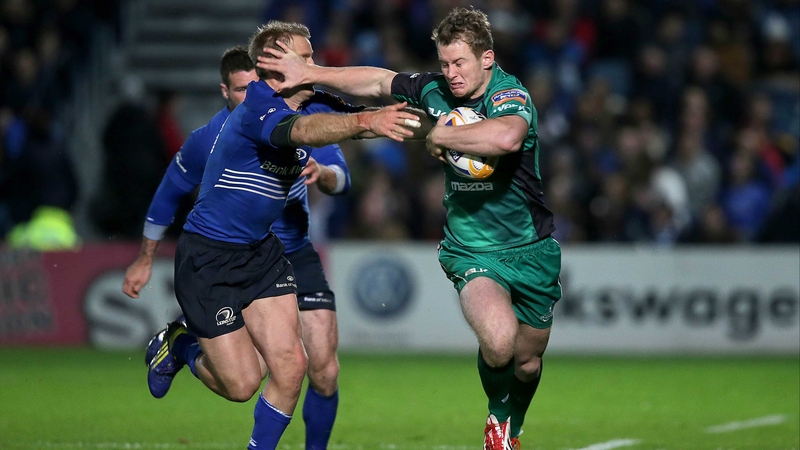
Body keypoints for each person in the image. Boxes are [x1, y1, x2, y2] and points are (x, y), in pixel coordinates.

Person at [258, 7, 561, 450]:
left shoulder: (508, 95)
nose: (451, 73)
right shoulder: (435, 90)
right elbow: (379, 82)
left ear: (487, 59)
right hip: (471, 250)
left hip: (531, 249)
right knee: (499, 344)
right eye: (444, 63)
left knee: (528, 362)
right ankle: (498, 427)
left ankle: (513, 426)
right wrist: (313, 72)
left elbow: (506, 138)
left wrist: (441, 135)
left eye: (460, 63)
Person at [142, 22, 422, 450]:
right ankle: (180, 346)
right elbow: (304, 133)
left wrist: (422, 118)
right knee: (241, 385)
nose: (315, 66)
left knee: (293, 368)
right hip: (208, 259)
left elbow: (362, 104)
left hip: (262, 253)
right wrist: (369, 119)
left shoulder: (311, 98)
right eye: (305, 58)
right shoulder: (257, 107)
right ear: (274, 66)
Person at [122, 45, 357, 449]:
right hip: (221, 255)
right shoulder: (210, 138)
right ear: (225, 92)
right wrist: (145, 258)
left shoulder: (298, 114)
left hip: (289, 251)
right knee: (246, 380)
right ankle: (181, 346)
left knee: (320, 369)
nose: (252, 96)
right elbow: (168, 195)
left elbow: (342, 176)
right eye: (241, 89)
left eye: (258, 85)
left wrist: (326, 174)